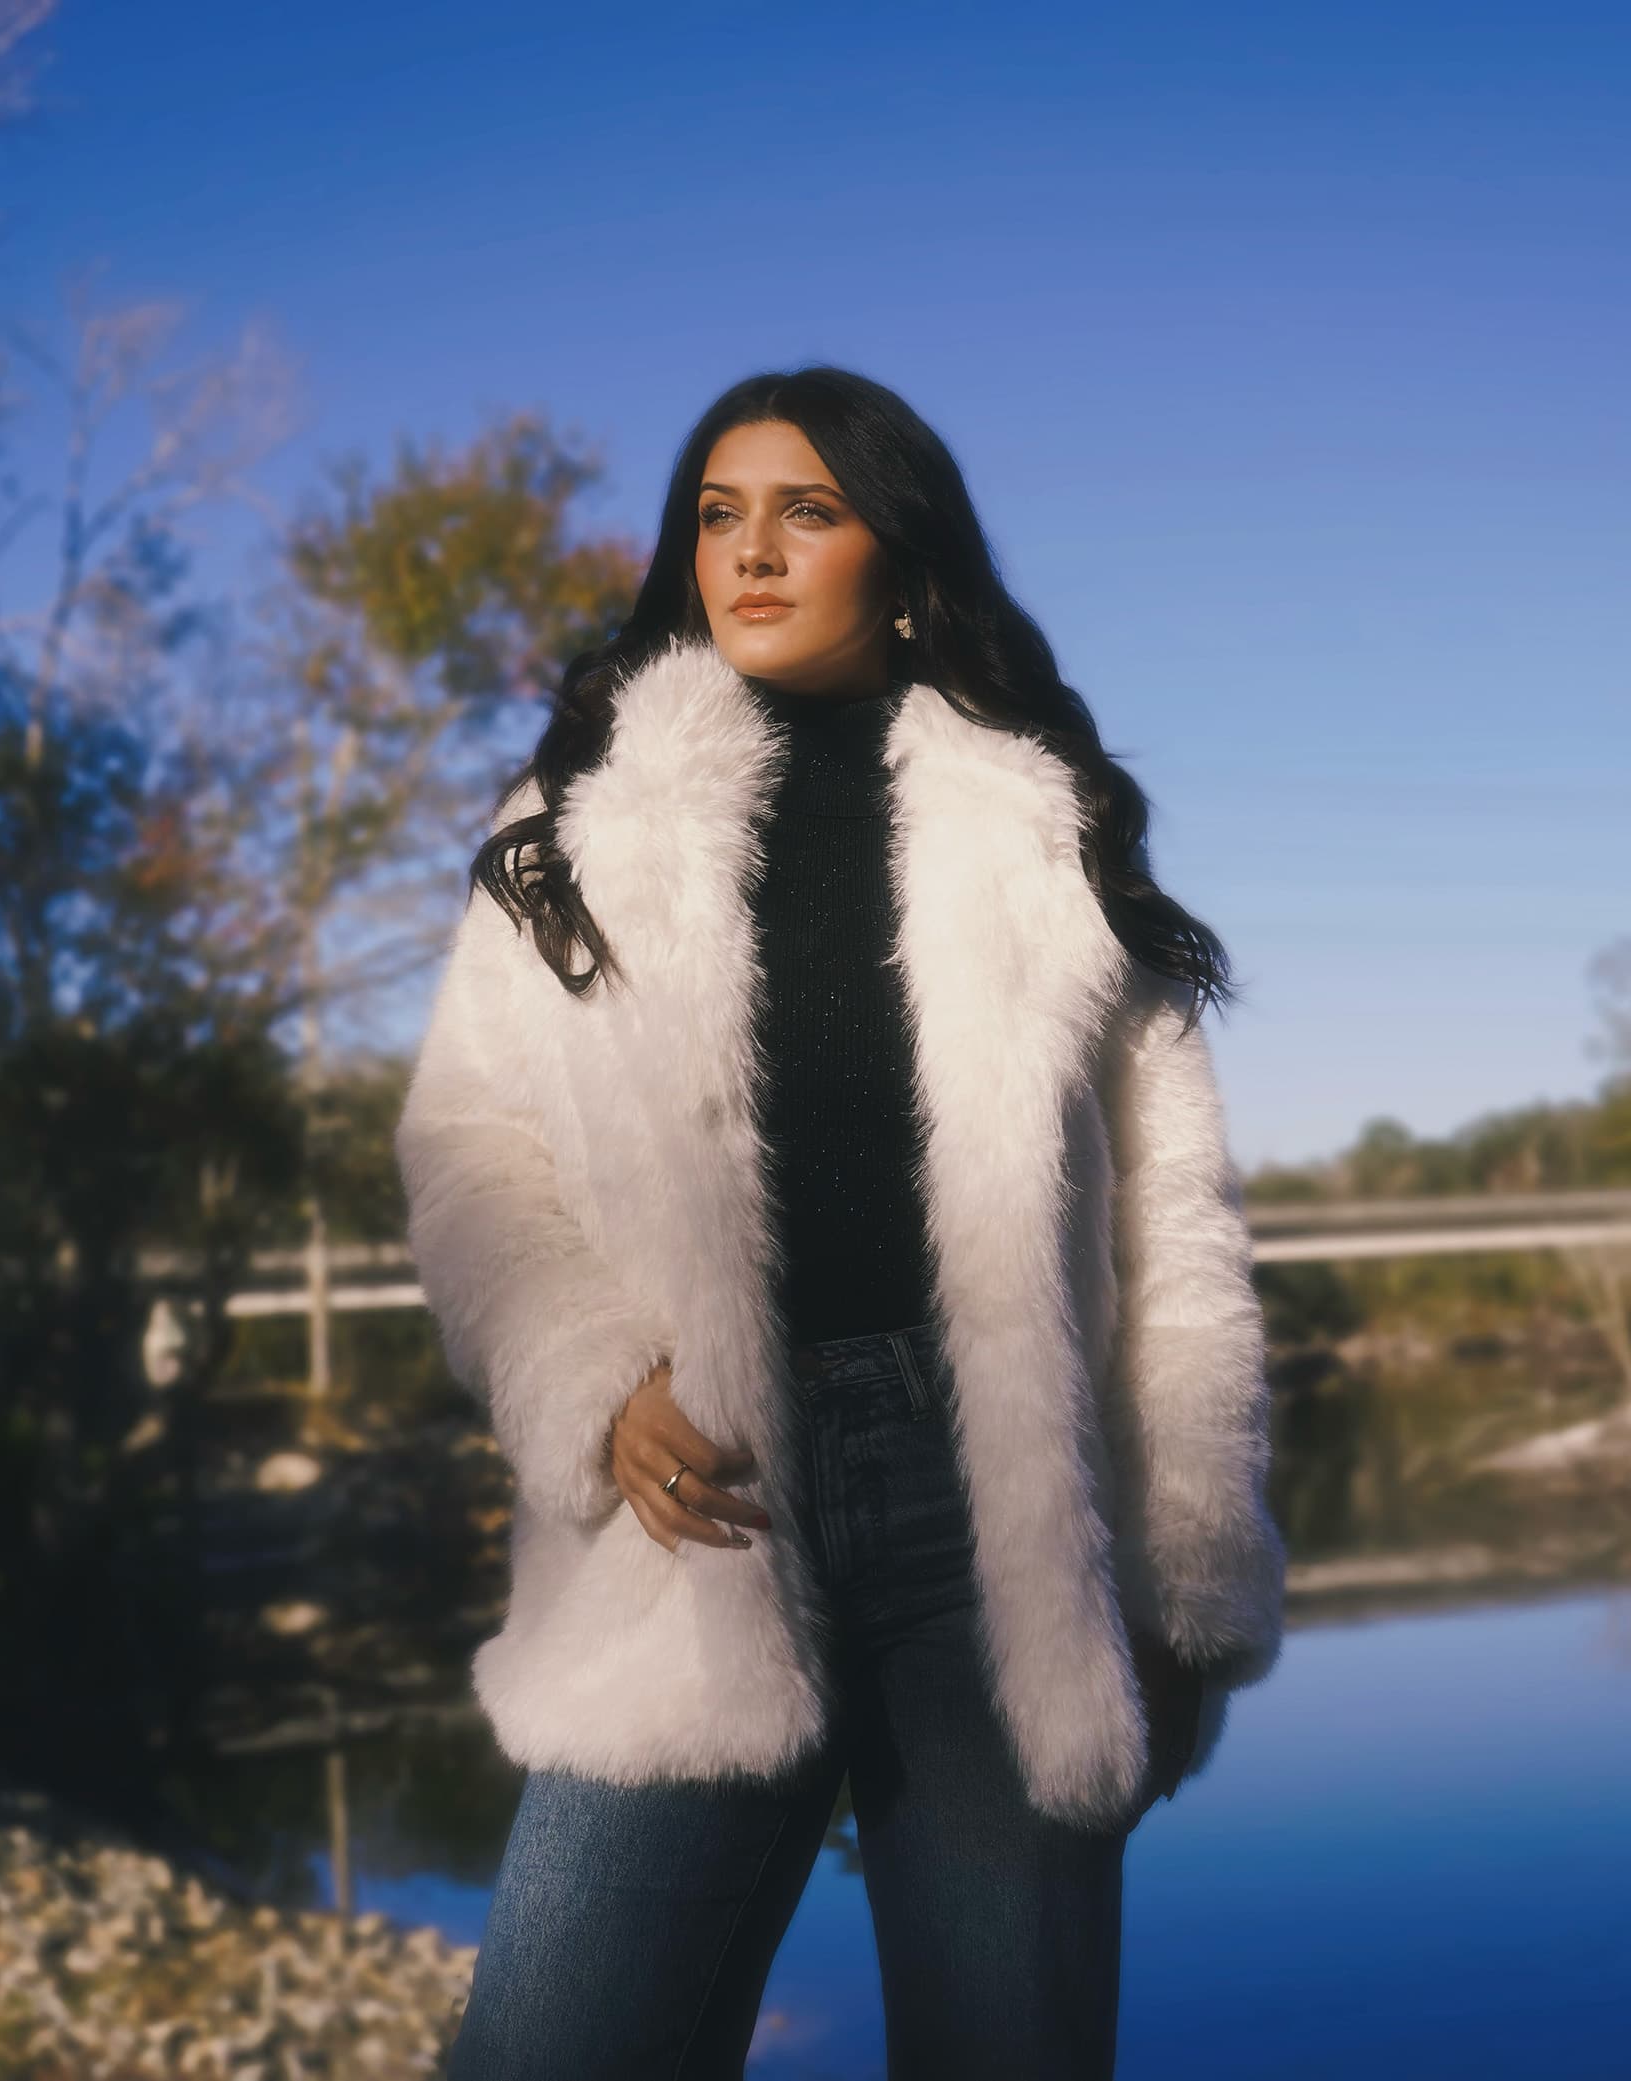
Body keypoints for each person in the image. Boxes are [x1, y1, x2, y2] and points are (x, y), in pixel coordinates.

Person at [397, 365, 1286, 2080]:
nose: (751, 551)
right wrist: (589, 1375)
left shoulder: (1044, 830)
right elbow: (471, 1155)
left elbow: (1176, 1234)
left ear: (905, 559)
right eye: (717, 515)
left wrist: (1188, 1579)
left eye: (807, 512)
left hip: (1002, 1524)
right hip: (695, 1508)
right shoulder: (574, 831)